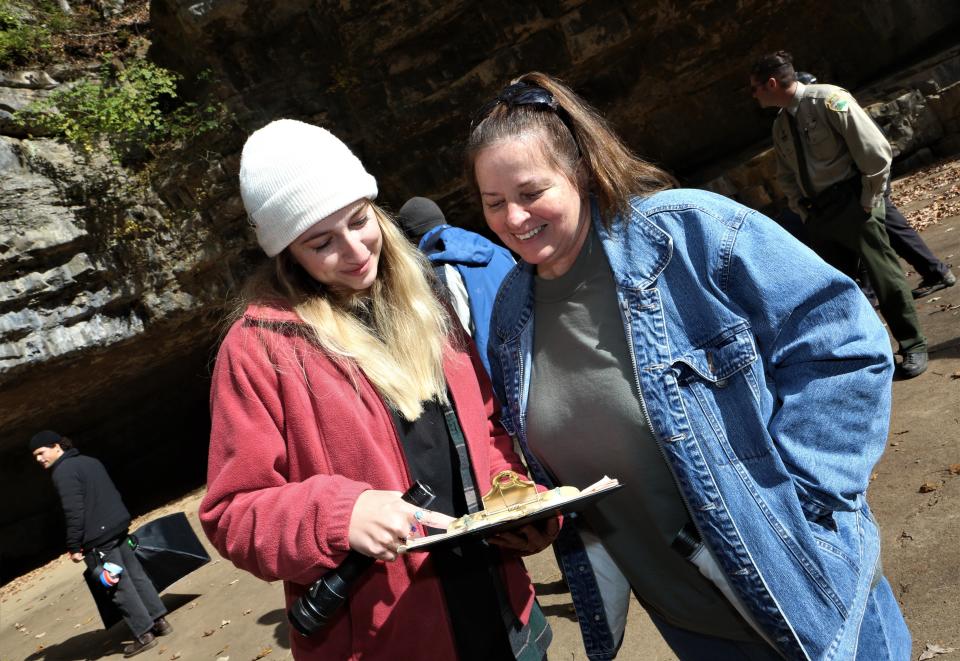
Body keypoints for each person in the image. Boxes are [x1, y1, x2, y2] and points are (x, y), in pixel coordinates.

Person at [465, 71, 911, 660]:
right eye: (494, 203)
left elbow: (841, 342)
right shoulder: (511, 314)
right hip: (689, 625)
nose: (514, 219)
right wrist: (540, 512)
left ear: (578, 171)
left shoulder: (688, 232)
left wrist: (807, 500)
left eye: (530, 192)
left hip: (806, 592)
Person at [199, 119, 554, 661]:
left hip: (508, 617)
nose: (355, 248)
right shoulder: (258, 349)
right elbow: (233, 512)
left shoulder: (424, 300)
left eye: (360, 220)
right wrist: (342, 514)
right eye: (321, 242)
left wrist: (519, 497)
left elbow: (485, 425)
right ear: (287, 252)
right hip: (392, 641)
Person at [750, 50, 931, 379]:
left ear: (772, 83)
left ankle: (913, 344)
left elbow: (874, 151)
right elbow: (786, 174)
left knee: (884, 276)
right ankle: (867, 353)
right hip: (819, 214)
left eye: (756, 88)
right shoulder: (781, 125)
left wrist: (868, 199)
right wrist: (801, 209)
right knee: (840, 291)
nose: (754, 96)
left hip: (852, 202)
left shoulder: (828, 101)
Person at [29, 430, 172, 658]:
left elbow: (74, 511)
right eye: (34, 455)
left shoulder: (63, 472)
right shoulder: (89, 461)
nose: (38, 459)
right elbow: (111, 493)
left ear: (56, 446)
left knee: (118, 587)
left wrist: (74, 545)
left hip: (99, 540)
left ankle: (143, 634)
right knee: (136, 576)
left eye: (40, 452)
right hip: (118, 529)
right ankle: (160, 622)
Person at [397, 195, 516, 377]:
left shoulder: (440, 270)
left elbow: (459, 346)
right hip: (530, 363)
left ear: (410, 240)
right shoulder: (498, 250)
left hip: (497, 382)